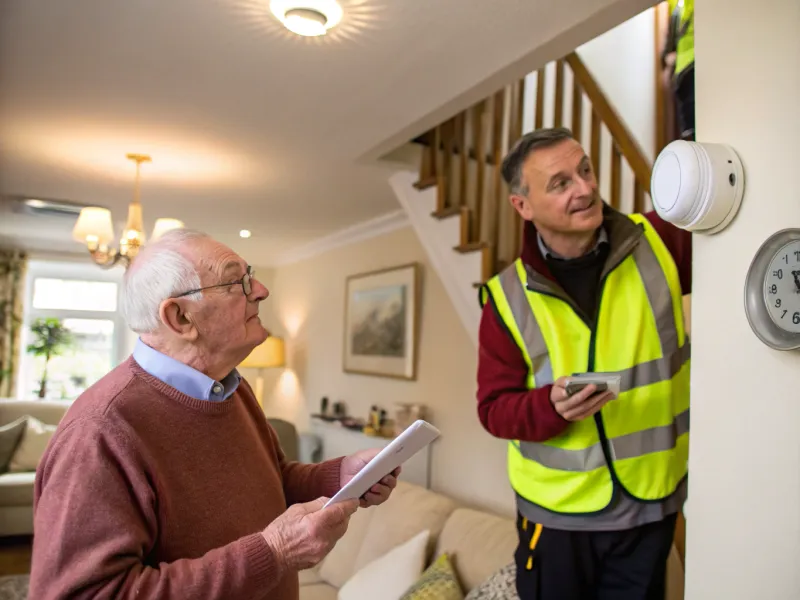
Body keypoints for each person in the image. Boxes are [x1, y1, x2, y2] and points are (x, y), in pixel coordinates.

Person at [29, 229, 399, 600]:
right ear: (180, 318)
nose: (261, 290)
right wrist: (273, 553)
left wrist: (339, 475)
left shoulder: (230, 388)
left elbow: (272, 481)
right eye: (235, 281)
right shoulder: (100, 431)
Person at [477, 128, 691, 599]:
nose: (586, 188)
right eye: (561, 183)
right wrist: (549, 408)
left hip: (650, 508)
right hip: (555, 521)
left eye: (586, 170)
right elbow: (493, 410)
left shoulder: (661, 242)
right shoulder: (504, 299)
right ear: (523, 207)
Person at [661, 0, 695, 140]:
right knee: (688, 128)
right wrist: (666, 57)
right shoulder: (674, 4)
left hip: (696, 65)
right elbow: (671, 37)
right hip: (682, 73)